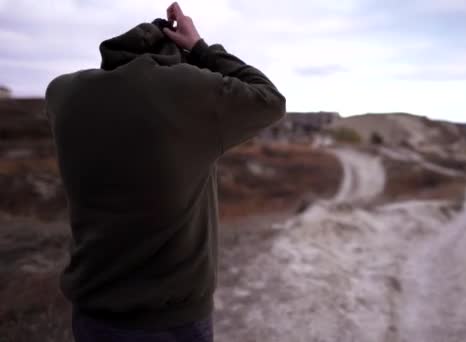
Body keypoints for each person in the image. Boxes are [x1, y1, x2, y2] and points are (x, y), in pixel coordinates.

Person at [45, 2, 286, 341]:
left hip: (92, 314)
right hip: (172, 321)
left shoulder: (63, 94)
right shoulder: (187, 94)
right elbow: (270, 99)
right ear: (176, 63)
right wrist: (201, 48)